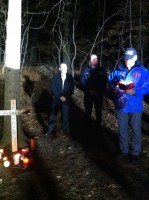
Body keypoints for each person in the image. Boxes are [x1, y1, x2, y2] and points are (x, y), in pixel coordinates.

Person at [108, 47, 149, 163]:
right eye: (126, 58)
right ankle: (123, 150)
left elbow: (147, 87)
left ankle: (135, 153)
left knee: (136, 130)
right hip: (121, 106)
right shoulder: (118, 70)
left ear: (135, 58)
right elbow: (110, 80)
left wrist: (135, 92)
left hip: (135, 107)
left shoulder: (143, 71)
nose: (127, 61)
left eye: (130, 59)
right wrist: (114, 87)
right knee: (122, 129)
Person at [80, 54, 107, 131]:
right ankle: (87, 128)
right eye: (92, 59)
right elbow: (82, 81)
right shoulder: (85, 70)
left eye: (96, 59)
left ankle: (98, 128)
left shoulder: (101, 70)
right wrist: (89, 90)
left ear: (97, 60)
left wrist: (97, 90)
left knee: (99, 112)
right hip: (88, 94)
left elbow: (104, 82)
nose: (94, 60)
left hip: (98, 95)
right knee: (88, 112)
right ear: (90, 60)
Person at [46, 63, 74, 136]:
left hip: (66, 99)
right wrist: (59, 96)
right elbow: (53, 88)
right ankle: (50, 129)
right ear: (60, 69)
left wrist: (66, 97)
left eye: (65, 67)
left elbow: (71, 89)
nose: (64, 69)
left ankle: (65, 129)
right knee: (53, 115)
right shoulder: (55, 77)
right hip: (56, 99)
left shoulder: (70, 77)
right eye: (63, 67)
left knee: (65, 115)